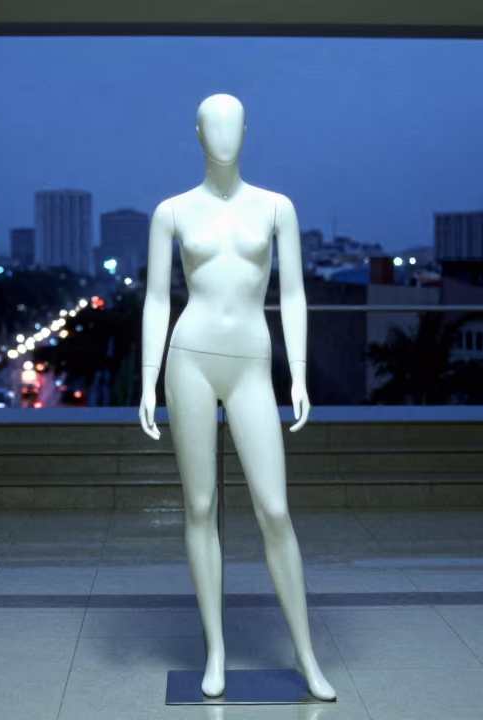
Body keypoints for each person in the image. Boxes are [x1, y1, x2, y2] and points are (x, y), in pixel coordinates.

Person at [138, 93, 335, 701]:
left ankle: (305, 655)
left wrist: (298, 372)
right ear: (196, 131)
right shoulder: (171, 212)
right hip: (189, 358)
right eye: (211, 124)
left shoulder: (276, 208)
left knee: (274, 510)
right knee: (200, 508)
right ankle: (216, 651)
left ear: (246, 131)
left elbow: (294, 295)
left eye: (232, 123)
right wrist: (145, 379)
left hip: (253, 362)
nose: (222, 134)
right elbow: (156, 299)